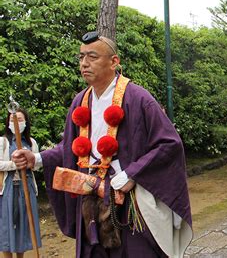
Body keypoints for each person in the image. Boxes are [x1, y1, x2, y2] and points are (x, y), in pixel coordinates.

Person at [12, 32, 192, 257]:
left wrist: (132, 174)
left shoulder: (138, 98)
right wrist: (36, 159)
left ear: (114, 62)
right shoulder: (80, 101)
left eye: (92, 57)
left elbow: (169, 144)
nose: (84, 63)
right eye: (81, 57)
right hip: (89, 195)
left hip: (128, 199)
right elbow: (69, 146)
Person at [0, 109, 42, 258]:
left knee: (24, 224)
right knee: (7, 226)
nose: (16, 123)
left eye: (19, 119)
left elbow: (37, 165)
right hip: (9, 189)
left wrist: (30, 162)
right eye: (13, 120)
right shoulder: (3, 142)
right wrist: (15, 165)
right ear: (8, 123)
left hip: (27, 189)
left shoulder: (31, 142)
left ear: (25, 122)